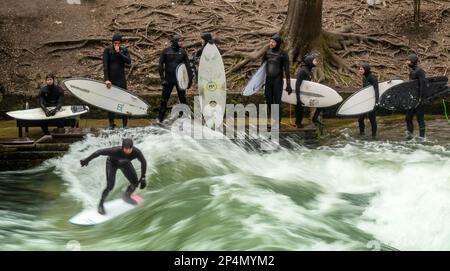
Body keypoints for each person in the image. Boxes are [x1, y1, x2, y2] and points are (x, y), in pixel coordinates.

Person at [80, 139, 147, 215]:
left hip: (125, 164)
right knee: (110, 186)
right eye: (126, 149)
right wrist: (87, 160)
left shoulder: (136, 152)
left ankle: (127, 196)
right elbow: (99, 152)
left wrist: (143, 177)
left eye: (130, 149)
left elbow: (143, 162)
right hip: (112, 164)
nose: (128, 150)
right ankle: (100, 205)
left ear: (132, 147)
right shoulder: (115, 150)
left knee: (135, 183)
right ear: (122, 147)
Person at [158, 34, 193, 122]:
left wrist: (189, 80)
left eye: (182, 41)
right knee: (164, 100)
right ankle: (160, 119)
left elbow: (188, 66)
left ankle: (184, 119)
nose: (181, 43)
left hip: (180, 81)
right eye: (179, 41)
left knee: (183, 99)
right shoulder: (166, 51)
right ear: (174, 42)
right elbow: (160, 65)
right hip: (168, 80)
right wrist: (162, 79)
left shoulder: (183, 52)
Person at [262, 34, 292, 124]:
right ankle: (274, 118)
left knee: (277, 101)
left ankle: (277, 122)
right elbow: (262, 68)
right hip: (268, 80)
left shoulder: (283, 54)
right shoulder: (267, 53)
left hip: (277, 80)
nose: (271, 43)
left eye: (273, 42)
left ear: (278, 43)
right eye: (270, 41)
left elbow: (287, 70)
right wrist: (261, 82)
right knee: (269, 100)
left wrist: (288, 84)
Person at [103, 32, 131, 129]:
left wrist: (119, 53)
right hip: (111, 81)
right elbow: (105, 66)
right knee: (110, 102)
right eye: (115, 43)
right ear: (112, 42)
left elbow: (128, 62)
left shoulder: (124, 50)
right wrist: (106, 79)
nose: (117, 45)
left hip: (121, 80)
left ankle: (125, 124)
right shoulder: (107, 51)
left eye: (119, 43)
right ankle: (111, 123)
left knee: (124, 101)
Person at [294, 54, 323, 128]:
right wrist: (298, 98)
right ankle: (298, 123)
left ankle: (315, 118)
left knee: (322, 104)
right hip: (300, 95)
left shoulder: (309, 71)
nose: (316, 62)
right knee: (300, 110)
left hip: (307, 95)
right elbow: (297, 85)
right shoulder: (302, 71)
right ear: (310, 61)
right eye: (315, 61)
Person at [405, 53, 426, 138]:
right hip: (412, 98)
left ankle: (422, 138)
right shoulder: (412, 70)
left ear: (413, 61)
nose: (406, 62)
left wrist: (421, 98)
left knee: (420, 119)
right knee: (408, 117)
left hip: (419, 98)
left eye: (408, 60)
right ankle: (410, 135)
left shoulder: (420, 71)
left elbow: (422, 85)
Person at [358, 63, 379, 138]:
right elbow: (364, 91)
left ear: (366, 69)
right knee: (360, 119)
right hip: (365, 102)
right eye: (359, 69)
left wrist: (376, 103)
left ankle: (374, 136)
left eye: (361, 69)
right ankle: (362, 134)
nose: (359, 70)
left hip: (372, 102)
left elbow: (376, 91)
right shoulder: (364, 78)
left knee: (372, 119)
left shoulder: (373, 78)